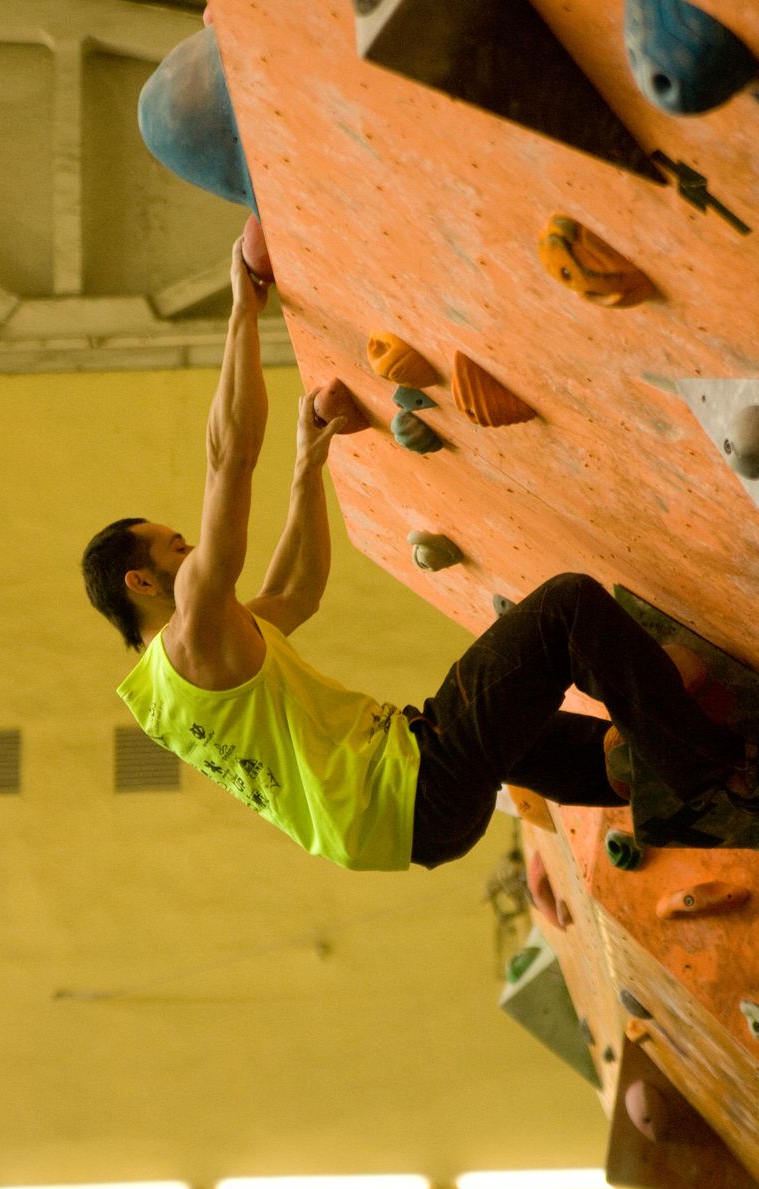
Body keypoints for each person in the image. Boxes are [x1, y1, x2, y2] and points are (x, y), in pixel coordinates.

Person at [82, 238, 757, 870]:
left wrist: (307, 467)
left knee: (519, 731)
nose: (193, 548)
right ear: (140, 579)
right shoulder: (190, 634)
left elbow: (297, 594)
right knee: (567, 611)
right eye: (177, 547)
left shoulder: (171, 694)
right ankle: (708, 782)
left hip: (413, 823)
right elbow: (228, 458)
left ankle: (623, 771)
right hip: (413, 783)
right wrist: (241, 309)